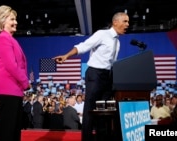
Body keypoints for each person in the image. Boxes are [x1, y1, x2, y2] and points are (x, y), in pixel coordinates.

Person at [53, 12, 129, 141]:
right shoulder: (102, 34)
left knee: (104, 109)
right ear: (115, 22)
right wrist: (66, 55)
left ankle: (102, 137)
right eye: (125, 21)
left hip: (108, 76)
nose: (128, 25)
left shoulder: (117, 42)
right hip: (95, 74)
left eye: (128, 22)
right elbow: (83, 46)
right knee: (90, 108)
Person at [0, 5, 30, 141]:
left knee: (13, 131)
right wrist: (26, 83)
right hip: (8, 88)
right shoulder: (3, 39)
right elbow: (11, 66)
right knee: (6, 131)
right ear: (3, 21)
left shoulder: (10, 39)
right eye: (12, 19)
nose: (16, 22)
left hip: (13, 89)